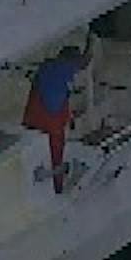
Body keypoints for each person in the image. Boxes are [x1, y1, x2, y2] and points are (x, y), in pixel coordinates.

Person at [22, 44, 82, 191]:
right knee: (53, 159)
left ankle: (53, 186)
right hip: (49, 124)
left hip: (37, 123)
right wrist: (92, 42)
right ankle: (57, 189)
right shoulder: (62, 70)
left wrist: (70, 116)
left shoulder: (48, 69)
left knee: (38, 157)